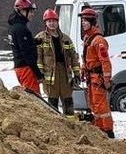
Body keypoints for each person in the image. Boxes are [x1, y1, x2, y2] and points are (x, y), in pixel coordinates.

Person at [35, 9, 81, 115]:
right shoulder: (40, 38)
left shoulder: (66, 38)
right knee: (52, 103)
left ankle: (70, 122)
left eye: (54, 21)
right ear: (45, 23)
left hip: (65, 73)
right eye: (49, 21)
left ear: (57, 22)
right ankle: (56, 123)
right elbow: (38, 58)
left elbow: (73, 57)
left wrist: (77, 74)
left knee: (68, 101)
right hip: (50, 75)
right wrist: (40, 73)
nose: (52, 23)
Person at [79, 7, 115, 138]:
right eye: (82, 21)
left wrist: (106, 80)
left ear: (92, 22)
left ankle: (108, 131)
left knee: (101, 106)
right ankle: (99, 129)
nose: (83, 23)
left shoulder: (98, 40)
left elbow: (105, 62)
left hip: (97, 78)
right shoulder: (87, 38)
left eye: (85, 21)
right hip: (91, 77)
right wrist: (83, 70)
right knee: (94, 105)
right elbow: (87, 58)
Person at [9, 0, 42, 95]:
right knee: (34, 98)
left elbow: (20, 45)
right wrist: (38, 74)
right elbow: (26, 52)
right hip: (26, 68)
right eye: (30, 11)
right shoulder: (21, 29)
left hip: (20, 67)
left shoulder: (14, 27)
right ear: (22, 11)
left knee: (29, 96)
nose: (32, 14)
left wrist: (34, 42)